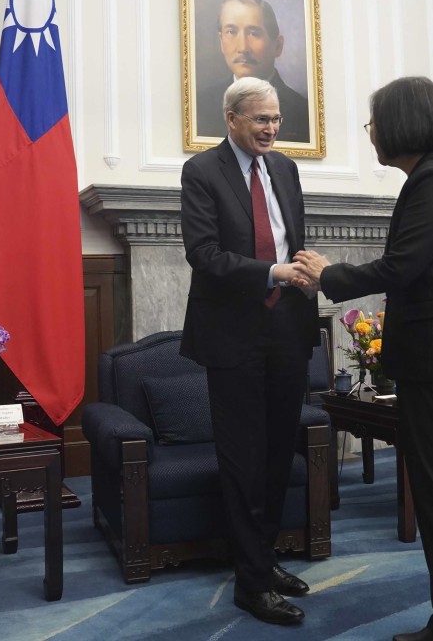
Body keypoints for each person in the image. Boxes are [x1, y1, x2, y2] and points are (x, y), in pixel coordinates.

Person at [293, 76, 433, 641]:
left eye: (374, 123)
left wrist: (328, 275)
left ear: (403, 123)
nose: (372, 133)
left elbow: (400, 267)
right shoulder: (430, 178)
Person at [180, 76, 319, 626]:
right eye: (261, 119)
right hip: (233, 333)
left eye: (277, 118)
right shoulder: (202, 171)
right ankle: (251, 584)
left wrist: (302, 269)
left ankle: (263, 559)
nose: (272, 128)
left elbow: (291, 239)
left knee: (279, 452)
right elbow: (203, 254)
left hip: (288, 326)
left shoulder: (285, 168)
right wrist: (271, 272)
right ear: (232, 118)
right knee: (243, 459)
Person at [197, 0, 311, 143]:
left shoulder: (303, 111)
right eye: (231, 32)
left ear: (278, 46)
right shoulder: (201, 104)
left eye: (253, 33)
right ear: (221, 41)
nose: (243, 48)